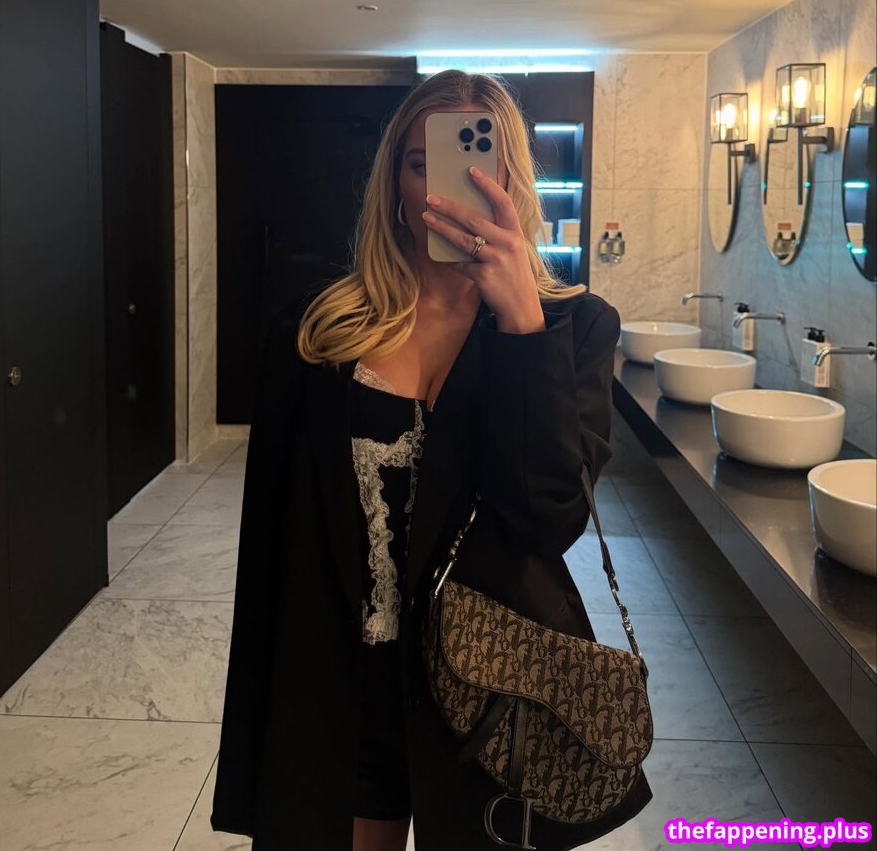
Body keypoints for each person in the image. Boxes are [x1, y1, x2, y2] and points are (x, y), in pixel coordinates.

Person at [210, 69, 652, 850]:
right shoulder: (315, 334)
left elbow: (547, 519)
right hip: (340, 690)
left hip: (493, 690)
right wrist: (256, 748)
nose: (449, 188)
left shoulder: (574, 329)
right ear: (395, 185)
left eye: (481, 166)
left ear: (513, 183)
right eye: (422, 163)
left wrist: (523, 327)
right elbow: (271, 555)